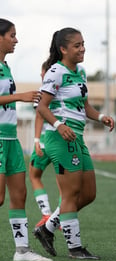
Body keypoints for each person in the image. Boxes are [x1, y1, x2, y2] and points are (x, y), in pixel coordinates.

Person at [35, 27, 114, 259]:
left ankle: (46, 228)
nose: (82, 49)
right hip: (60, 138)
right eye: (77, 45)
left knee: (88, 193)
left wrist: (101, 117)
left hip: (77, 137)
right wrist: (59, 125)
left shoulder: (80, 72)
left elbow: (84, 106)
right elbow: (42, 106)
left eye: (83, 44)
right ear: (63, 49)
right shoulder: (55, 72)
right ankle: (75, 248)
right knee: (70, 194)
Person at [0, 18, 52, 261]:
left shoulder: (6, 66)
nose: (16, 40)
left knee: (19, 194)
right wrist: (20, 96)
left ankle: (22, 251)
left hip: (11, 139)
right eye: (12, 35)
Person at [29, 61, 60, 229]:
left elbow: (40, 115)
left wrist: (35, 141)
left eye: (42, 72)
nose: (41, 75)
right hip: (61, 141)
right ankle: (57, 217)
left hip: (44, 142)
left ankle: (47, 213)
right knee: (63, 182)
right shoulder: (64, 86)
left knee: (34, 176)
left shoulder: (43, 91)